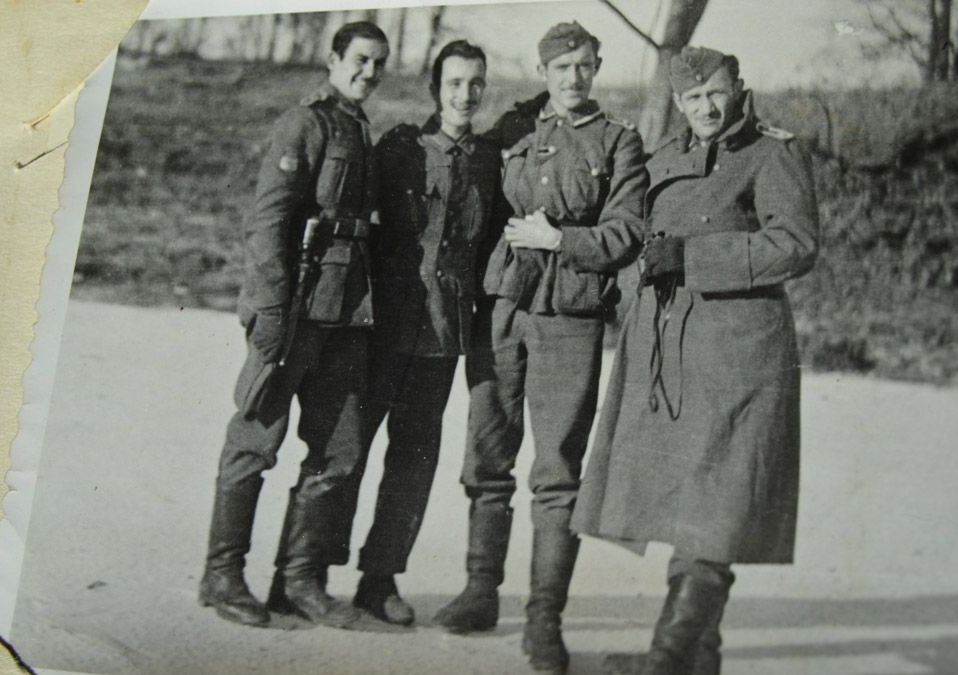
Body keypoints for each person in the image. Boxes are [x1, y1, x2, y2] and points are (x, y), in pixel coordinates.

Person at [571, 46, 820, 674]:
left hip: (741, 356)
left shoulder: (771, 151)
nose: (706, 108)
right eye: (692, 98)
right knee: (692, 506)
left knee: (717, 508)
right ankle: (695, 661)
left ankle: (663, 661)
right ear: (679, 103)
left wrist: (694, 256)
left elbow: (795, 244)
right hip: (673, 350)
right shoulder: (666, 158)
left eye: (715, 93)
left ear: (738, 87)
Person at [433, 22, 647, 674]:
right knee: (487, 451)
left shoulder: (619, 141)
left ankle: (544, 619)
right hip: (504, 307)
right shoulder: (514, 133)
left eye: (584, 66)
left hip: (572, 315)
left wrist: (563, 242)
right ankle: (479, 589)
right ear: (545, 71)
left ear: (598, 67)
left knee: (556, 470)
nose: (574, 78)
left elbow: (629, 230)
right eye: (562, 67)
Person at [197, 21, 388, 631]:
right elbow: (269, 224)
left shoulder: (359, 127)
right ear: (333, 59)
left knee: (339, 449)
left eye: (379, 63)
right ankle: (222, 575)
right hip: (299, 309)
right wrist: (272, 314)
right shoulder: (304, 124)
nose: (369, 72)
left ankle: (298, 581)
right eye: (360, 60)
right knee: (256, 439)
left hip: (345, 312)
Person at [342, 40, 503, 627]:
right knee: (346, 450)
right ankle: (301, 573)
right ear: (437, 88)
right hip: (383, 324)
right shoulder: (401, 148)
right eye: (455, 82)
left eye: (476, 83)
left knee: (411, 460)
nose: (466, 94)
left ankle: (378, 581)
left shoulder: (492, 159)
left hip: (441, 333)